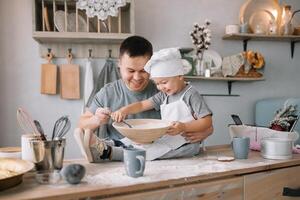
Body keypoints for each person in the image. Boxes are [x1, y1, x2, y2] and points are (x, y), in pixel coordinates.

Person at [74, 36, 213, 163]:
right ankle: (101, 147)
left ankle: (104, 150)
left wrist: (206, 131)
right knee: (127, 143)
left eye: (143, 71)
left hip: (161, 155)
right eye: (130, 71)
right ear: (119, 65)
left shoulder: (164, 89)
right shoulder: (108, 92)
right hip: (121, 159)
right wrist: (96, 120)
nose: (137, 77)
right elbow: (81, 126)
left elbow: (204, 122)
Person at [111, 48, 213, 160]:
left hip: (187, 144)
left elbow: (207, 121)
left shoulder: (191, 95)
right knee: (137, 142)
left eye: (164, 82)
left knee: (150, 152)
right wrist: (124, 110)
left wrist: (184, 127)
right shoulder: (164, 95)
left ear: (180, 76)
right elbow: (142, 105)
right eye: (157, 84)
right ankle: (107, 144)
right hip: (168, 139)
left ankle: (113, 153)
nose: (161, 87)